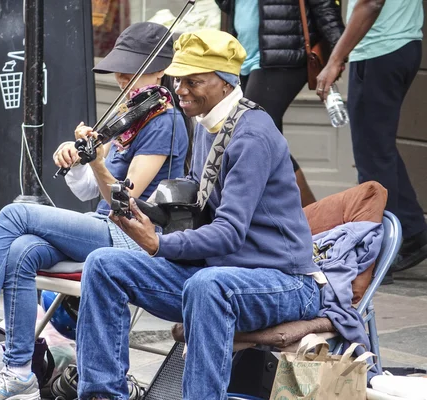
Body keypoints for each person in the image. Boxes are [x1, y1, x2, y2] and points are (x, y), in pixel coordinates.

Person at [0, 22, 190, 400]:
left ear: (161, 68)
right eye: (120, 67)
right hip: (102, 223)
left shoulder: (164, 121)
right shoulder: (133, 117)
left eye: (132, 67)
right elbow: (92, 191)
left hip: (131, 236)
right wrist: (77, 163)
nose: (123, 76)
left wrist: (99, 162)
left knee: (14, 214)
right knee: (22, 250)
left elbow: (125, 200)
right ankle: (20, 370)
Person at [75, 30, 321, 399]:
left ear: (226, 82)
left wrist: (158, 244)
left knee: (207, 285)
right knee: (103, 264)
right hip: (221, 273)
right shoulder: (208, 124)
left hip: (284, 282)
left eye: (194, 80)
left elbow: (228, 233)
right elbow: (191, 209)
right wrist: (115, 186)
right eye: (178, 78)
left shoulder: (251, 135)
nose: (181, 89)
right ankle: (102, 393)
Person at [317, 0, 426, 283]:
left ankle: (379, 250)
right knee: (379, 149)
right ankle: (413, 232)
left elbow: (370, 3)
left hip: (380, 48)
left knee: (372, 155)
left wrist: (335, 59)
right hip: (401, 44)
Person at [215, 0, 344, 207]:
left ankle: (313, 217)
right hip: (244, 55)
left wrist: (338, 56)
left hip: (283, 53)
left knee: (252, 133)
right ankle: (294, 220)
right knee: (268, 141)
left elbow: (324, 5)